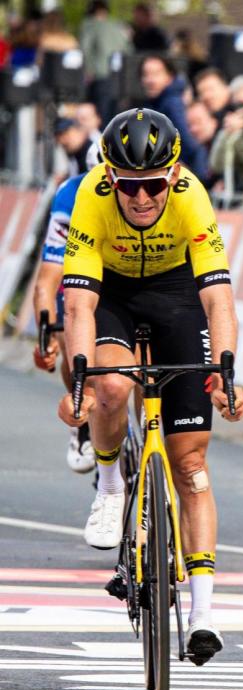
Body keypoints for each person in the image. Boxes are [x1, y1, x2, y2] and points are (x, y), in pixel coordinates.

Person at [58, 108, 243, 665]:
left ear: (172, 176)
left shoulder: (192, 196)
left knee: (191, 466)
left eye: (153, 185)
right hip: (111, 290)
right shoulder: (91, 196)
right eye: (130, 186)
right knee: (113, 388)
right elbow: (79, 305)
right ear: (111, 178)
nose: (142, 198)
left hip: (175, 291)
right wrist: (81, 384)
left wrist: (227, 371)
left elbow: (218, 298)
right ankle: (111, 486)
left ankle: (204, 616)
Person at [31, 143, 104, 475]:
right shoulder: (69, 197)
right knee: (67, 333)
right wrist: (47, 337)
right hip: (82, 267)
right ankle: (83, 417)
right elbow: (47, 280)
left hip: (125, 268)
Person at [141, 55, 209, 179]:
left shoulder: (171, 103)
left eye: (156, 74)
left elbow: (188, 144)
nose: (150, 80)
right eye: (146, 74)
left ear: (170, 77)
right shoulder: (157, 103)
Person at [79, 0, 131, 120]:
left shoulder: (90, 25)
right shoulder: (119, 26)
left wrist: (88, 70)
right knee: (115, 117)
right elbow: (128, 49)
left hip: (100, 76)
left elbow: (85, 49)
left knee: (100, 118)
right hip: (119, 77)